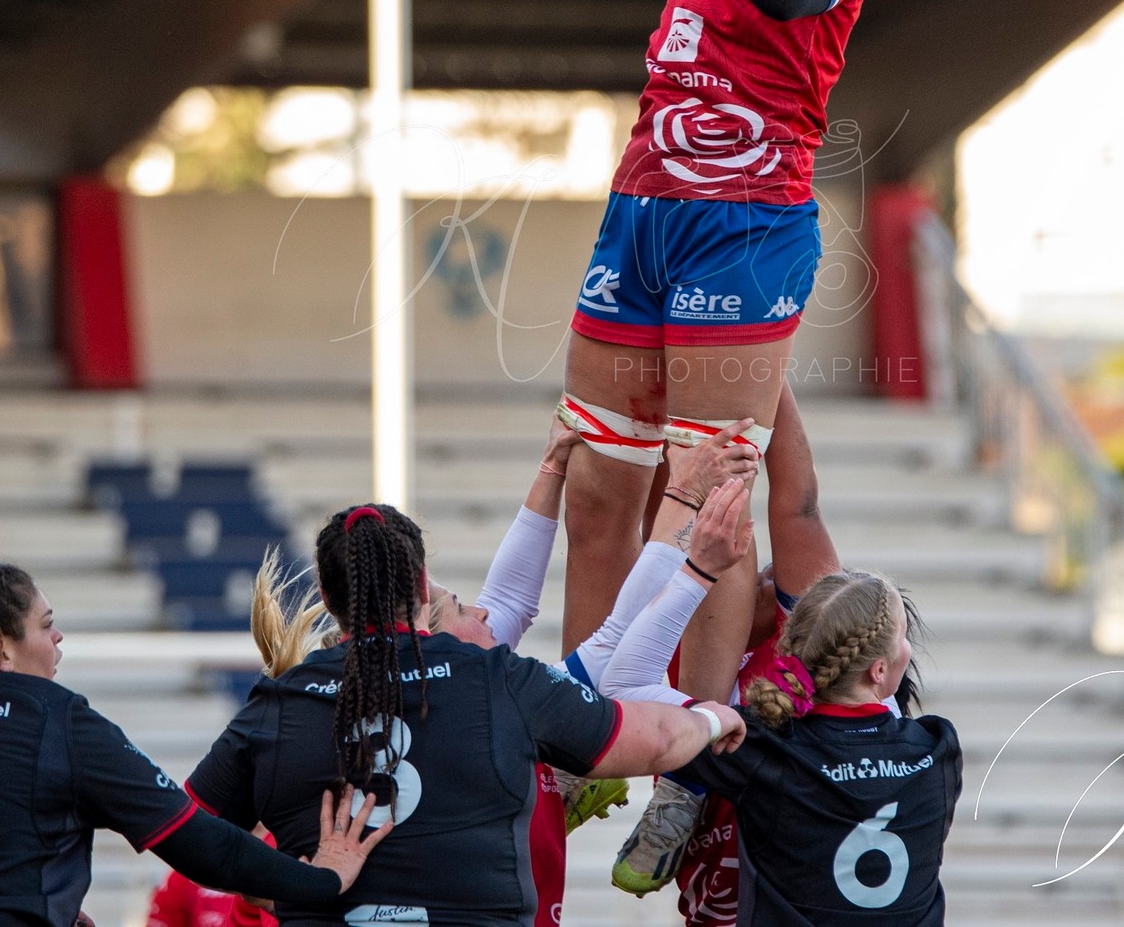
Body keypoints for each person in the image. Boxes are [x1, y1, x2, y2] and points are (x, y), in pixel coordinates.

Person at [552, 0, 880, 736]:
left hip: (743, 228)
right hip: (640, 215)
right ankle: (580, 725)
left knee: (708, 502)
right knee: (600, 488)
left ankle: (691, 738)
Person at [185, 502, 747, 927]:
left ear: (329, 602)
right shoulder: (495, 678)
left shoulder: (281, 704)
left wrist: (294, 879)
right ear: (423, 585)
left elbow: (180, 829)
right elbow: (651, 737)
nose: (479, 610)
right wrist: (716, 719)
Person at [0, 560, 389, 927]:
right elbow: (202, 846)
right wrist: (323, 879)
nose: (59, 636)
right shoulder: (56, 719)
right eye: (45, 624)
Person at [421, 411, 763, 833]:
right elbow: (618, 661)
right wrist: (688, 506)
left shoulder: (434, 687)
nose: (481, 610)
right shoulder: (498, 706)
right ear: (426, 639)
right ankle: (681, 794)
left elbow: (508, 601)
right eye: (459, 608)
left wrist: (552, 466)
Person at [606, 569, 962, 927]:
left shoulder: (763, 748)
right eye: (902, 637)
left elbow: (622, 685)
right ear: (879, 670)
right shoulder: (935, 748)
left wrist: (697, 570)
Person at [605, 383, 846, 898]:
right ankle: (680, 786)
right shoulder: (680, 636)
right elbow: (670, 520)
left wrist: (764, 370)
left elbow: (798, 508)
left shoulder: (803, 638)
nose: (768, 575)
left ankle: (683, 786)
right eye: (764, 575)